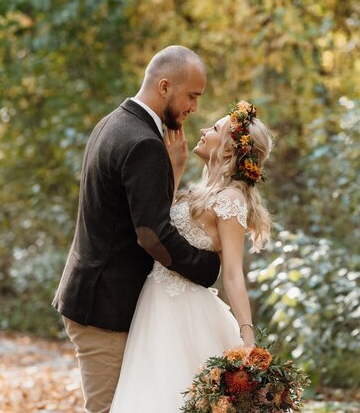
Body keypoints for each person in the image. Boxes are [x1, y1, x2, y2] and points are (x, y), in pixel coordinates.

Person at [52, 46, 221, 413]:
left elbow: (131, 215)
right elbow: (152, 235)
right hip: (106, 308)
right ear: (165, 86)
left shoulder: (113, 122)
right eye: (192, 96)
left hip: (98, 297)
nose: (194, 108)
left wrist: (171, 176)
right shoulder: (144, 143)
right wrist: (207, 268)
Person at [109, 100, 274, 412]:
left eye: (214, 129)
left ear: (228, 150)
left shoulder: (230, 200)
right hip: (155, 303)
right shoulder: (200, 190)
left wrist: (248, 338)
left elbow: (233, 273)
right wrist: (175, 170)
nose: (203, 130)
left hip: (183, 311)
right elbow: (160, 227)